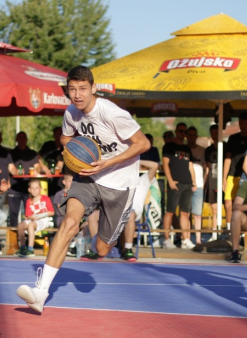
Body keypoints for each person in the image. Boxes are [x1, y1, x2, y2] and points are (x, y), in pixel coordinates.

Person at [16, 65, 150, 313]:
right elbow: (65, 139)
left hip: (120, 185)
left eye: (83, 89)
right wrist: (76, 152)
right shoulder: (71, 113)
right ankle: (40, 293)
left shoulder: (111, 113)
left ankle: (108, 240)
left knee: (101, 248)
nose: (77, 94)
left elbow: (143, 143)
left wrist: (107, 161)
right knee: (69, 222)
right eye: (72, 89)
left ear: (93, 89)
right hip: (88, 177)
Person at [162, 122, 197, 249]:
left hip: (187, 184)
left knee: (185, 213)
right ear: (176, 131)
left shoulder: (187, 149)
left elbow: (191, 166)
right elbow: (165, 164)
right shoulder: (169, 146)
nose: (183, 134)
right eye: (181, 131)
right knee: (170, 212)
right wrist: (170, 181)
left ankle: (186, 239)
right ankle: (166, 240)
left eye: (185, 132)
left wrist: (194, 182)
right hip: (175, 183)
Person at [223, 112, 247, 231]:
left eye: (245, 123)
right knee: (229, 205)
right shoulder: (233, 138)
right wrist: (224, 179)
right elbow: (227, 159)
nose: (243, 126)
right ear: (238, 124)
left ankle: (244, 232)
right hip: (232, 176)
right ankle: (230, 231)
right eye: (241, 123)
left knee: (245, 206)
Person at [122, 160, 159, 262]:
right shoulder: (122, 181)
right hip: (118, 211)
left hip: (133, 212)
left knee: (129, 215)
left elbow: (155, 165)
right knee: (93, 215)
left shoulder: (143, 180)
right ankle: (94, 249)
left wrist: (134, 160)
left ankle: (128, 249)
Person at [7, 132, 41, 226]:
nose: (22, 140)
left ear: (26, 140)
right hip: (15, 187)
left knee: (29, 213)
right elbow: (11, 168)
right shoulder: (11, 153)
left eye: (24, 138)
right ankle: (14, 237)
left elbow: (38, 167)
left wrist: (36, 171)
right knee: (13, 213)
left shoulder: (33, 153)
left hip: (29, 188)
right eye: (20, 138)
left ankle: (28, 235)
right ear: (16, 140)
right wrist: (15, 171)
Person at [17, 179, 55, 257]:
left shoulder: (45, 198)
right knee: (20, 225)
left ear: (40, 189)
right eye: (32, 188)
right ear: (29, 190)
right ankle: (23, 248)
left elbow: (52, 212)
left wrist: (40, 216)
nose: (34, 190)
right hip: (32, 220)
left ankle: (30, 249)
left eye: (36, 188)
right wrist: (32, 217)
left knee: (31, 225)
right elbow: (28, 215)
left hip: (44, 220)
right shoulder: (29, 201)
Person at [204, 124, 225, 241]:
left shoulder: (226, 147)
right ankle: (214, 234)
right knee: (214, 209)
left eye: (216, 133)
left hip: (223, 181)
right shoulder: (208, 150)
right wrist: (205, 183)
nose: (214, 135)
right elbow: (207, 168)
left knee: (226, 207)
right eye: (212, 133)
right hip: (212, 181)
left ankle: (226, 232)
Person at [186, 126, 205, 246]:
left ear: (197, 136)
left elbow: (206, 167)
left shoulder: (202, 150)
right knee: (186, 213)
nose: (192, 137)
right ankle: (186, 239)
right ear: (187, 136)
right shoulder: (183, 150)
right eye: (190, 135)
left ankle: (198, 240)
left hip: (199, 185)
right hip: (186, 185)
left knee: (197, 214)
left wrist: (204, 184)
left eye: (194, 135)